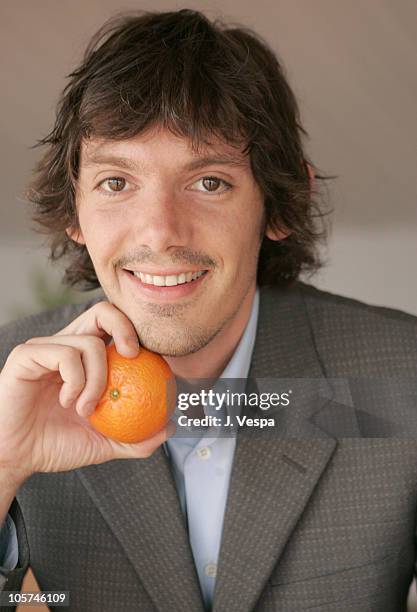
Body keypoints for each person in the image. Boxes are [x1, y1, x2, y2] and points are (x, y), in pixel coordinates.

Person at [0, 8, 416, 612]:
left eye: (210, 182)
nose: (161, 232)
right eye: (117, 182)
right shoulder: (4, 385)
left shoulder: (401, 375)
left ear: (278, 205)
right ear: (74, 210)